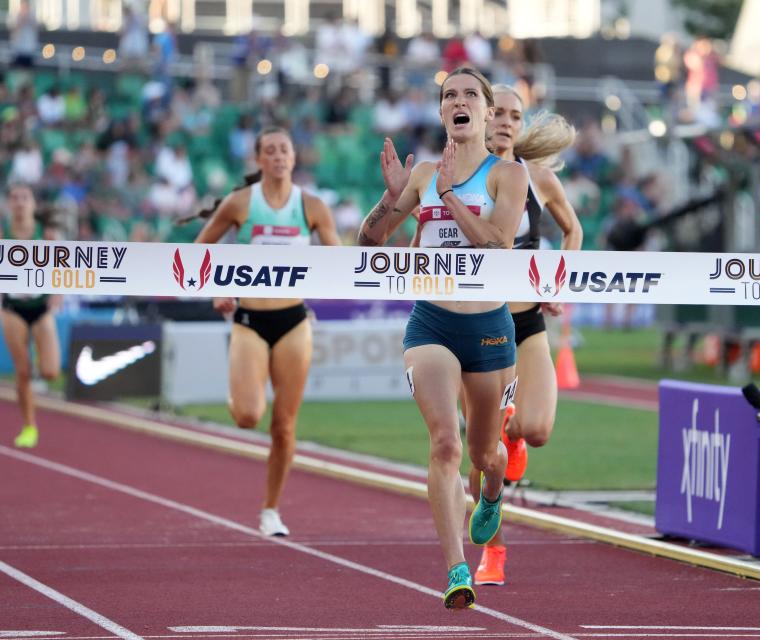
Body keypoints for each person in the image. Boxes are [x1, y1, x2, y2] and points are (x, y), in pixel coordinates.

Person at [357, 66, 529, 610]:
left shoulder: (507, 175)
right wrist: (391, 201)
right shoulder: (423, 172)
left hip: (488, 328)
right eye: (448, 96)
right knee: (445, 443)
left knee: (485, 453)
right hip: (431, 322)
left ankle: (494, 491)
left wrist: (451, 195)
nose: (459, 102)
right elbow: (370, 240)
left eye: (468, 95)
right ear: (441, 113)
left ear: (484, 110)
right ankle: (457, 568)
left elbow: (498, 245)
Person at [192, 127, 340, 537]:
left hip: (293, 319)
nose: (278, 156)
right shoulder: (241, 202)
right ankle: (239, 393)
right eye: (270, 150)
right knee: (247, 415)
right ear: (258, 160)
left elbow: (340, 265)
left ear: (294, 157)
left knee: (285, 425)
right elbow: (196, 252)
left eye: (284, 150)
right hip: (250, 320)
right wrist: (217, 289)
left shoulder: (311, 206)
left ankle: (271, 510)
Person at [468, 84, 582, 587]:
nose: (507, 122)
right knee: (482, 450)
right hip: (472, 323)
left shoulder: (537, 179)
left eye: (516, 115)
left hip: (526, 318)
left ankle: (514, 432)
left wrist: (559, 280)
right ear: (482, 116)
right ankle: (493, 553)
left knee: (535, 429)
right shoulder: (458, 180)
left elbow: (571, 231)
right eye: (499, 113)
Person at [0, 183, 61, 448]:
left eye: (24, 198)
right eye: (14, 198)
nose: (19, 203)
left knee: (51, 372)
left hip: (40, 307)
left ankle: (40, 355)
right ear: (9, 203)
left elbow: (64, 268)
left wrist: (57, 295)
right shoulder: (0, 234)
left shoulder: (47, 234)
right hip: (13, 308)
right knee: (23, 372)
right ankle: (29, 426)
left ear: (33, 204)